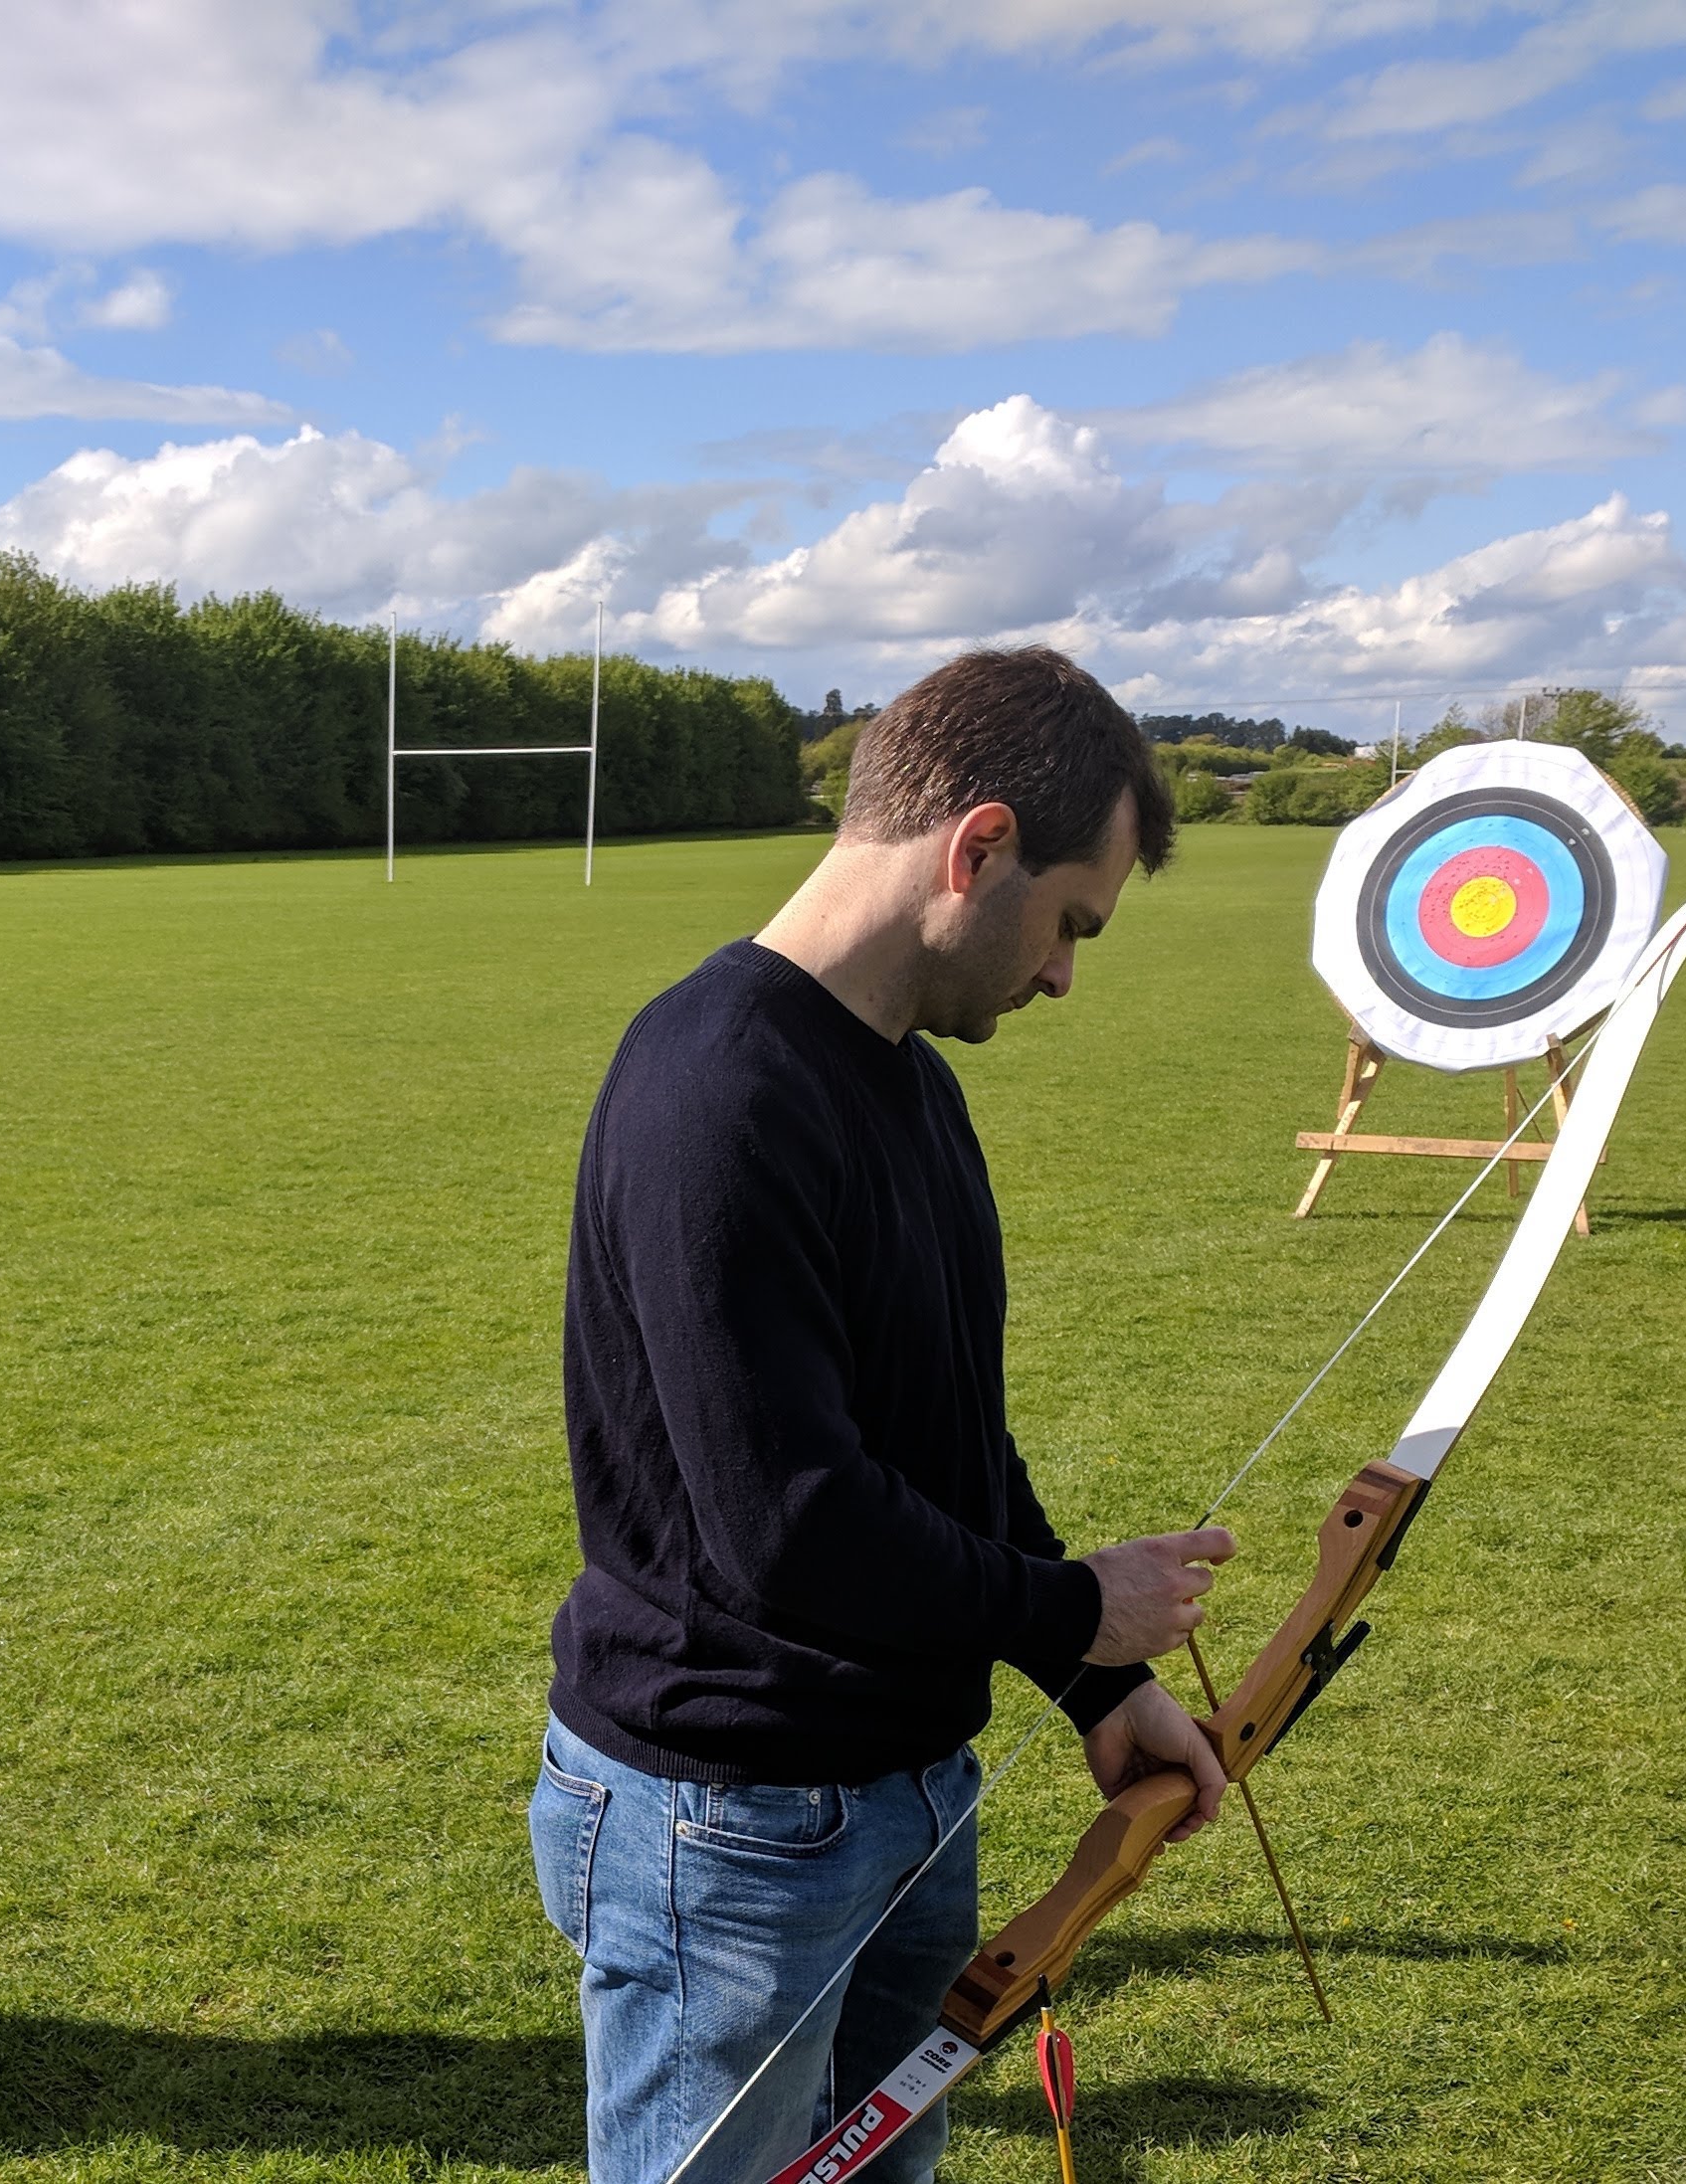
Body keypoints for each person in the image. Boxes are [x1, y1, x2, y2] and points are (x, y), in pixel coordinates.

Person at [531, 645, 1237, 2184]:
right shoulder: (718, 1089)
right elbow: (791, 1527)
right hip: (729, 1827)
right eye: (1069, 924)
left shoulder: (912, 1078)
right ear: (976, 845)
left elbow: (949, 1445)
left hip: (908, 1794)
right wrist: (1075, 1603)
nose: (1062, 976)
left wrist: (1092, 1677)